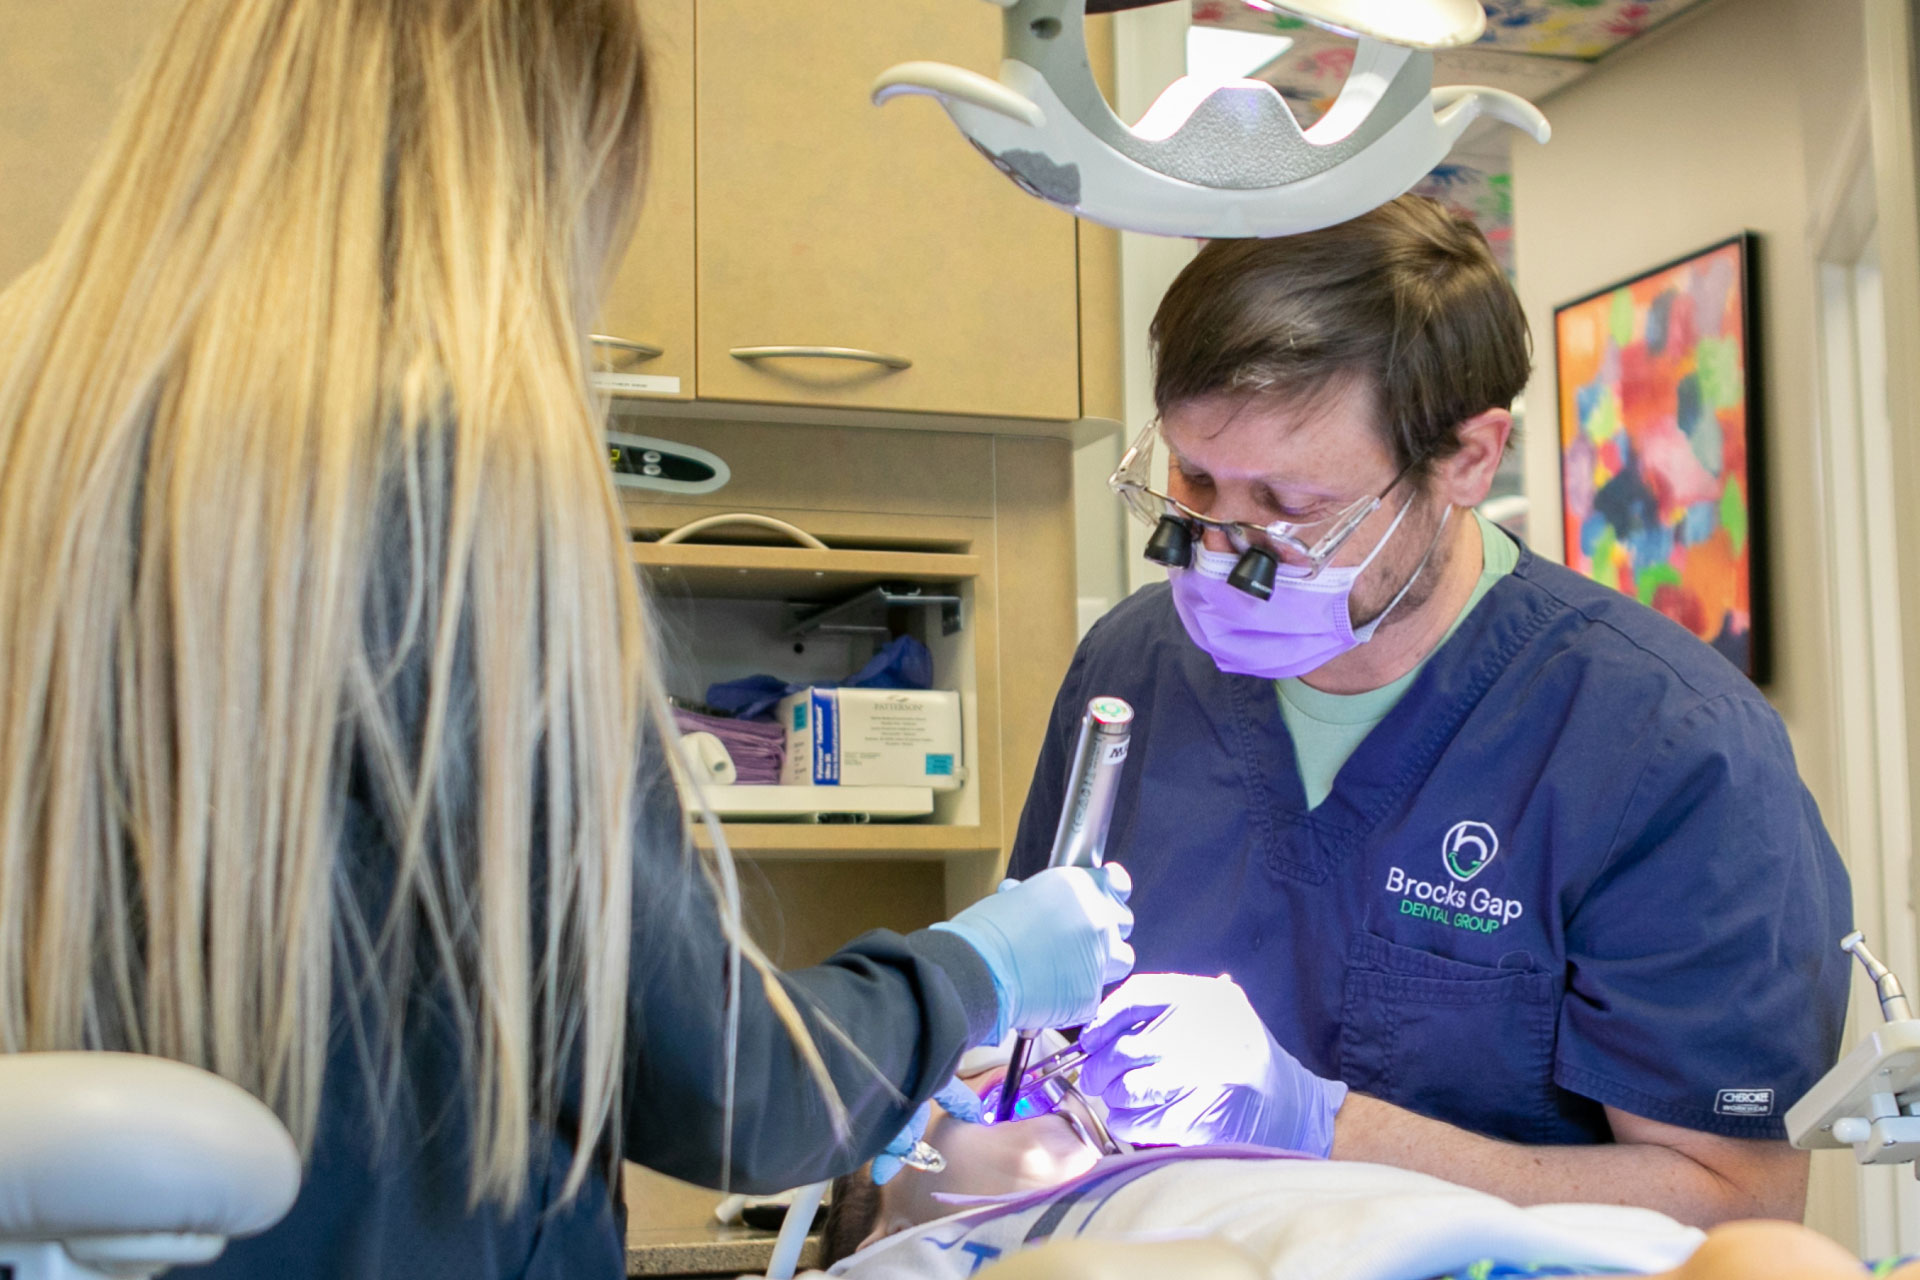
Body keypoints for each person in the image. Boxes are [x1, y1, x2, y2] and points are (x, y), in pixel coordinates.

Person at [0, 2, 1132, 1277]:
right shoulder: (450, 471)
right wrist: (977, 970)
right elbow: (737, 1087)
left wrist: (878, 1061)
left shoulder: (42, 416)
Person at [1009, 195, 1853, 1227]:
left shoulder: (1668, 749)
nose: (1220, 552)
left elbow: (1737, 1206)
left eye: (1291, 508)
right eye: (1193, 478)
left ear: (1468, 459)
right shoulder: (1132, 667)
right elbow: (1028, 1021)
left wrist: (1319, 1125)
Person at [818, 1066, 1904, 1280]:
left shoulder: (1206, 1155)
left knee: (1767, 1260)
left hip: (1517, 1252)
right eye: (978, 1097)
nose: (1049, 1079)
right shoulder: (926, 1247)